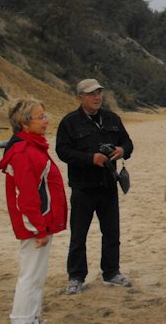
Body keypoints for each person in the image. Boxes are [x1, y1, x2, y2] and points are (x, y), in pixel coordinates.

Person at [55, 79, 134, 295]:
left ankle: (111, 272)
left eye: (99, 92)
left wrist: (122, 150)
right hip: (83, 188)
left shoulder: (112, 118)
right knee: (78, 235)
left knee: (112, 233)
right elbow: (62, 151)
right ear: (80, 97)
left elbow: (128, 143)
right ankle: (76, 277)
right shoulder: (69, 122)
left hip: (109, 186)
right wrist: (91, 158)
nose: (97, 97)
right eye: (91, 94)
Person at [0, 98, 68, 324]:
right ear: (25, 124)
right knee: (30, 274)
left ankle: (31, 317)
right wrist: (38, 229)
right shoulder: (24, 152)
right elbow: (25, 198)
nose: (46, 121)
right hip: (35, 226)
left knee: (36, 274)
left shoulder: (32, 146)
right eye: (41, 117)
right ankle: (22, 319)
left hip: (41, 223)